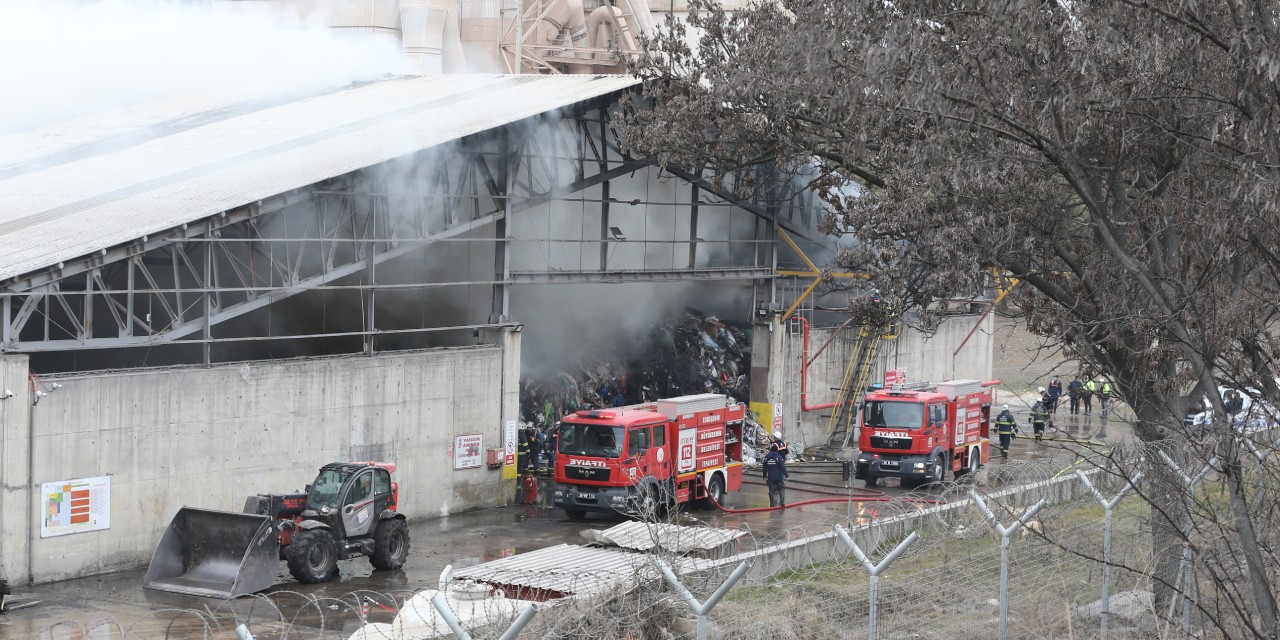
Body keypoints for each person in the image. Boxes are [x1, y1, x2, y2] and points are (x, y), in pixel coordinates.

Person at [763, 443, 789, 507]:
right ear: (777, 450)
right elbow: (782, 467)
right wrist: (786, 475)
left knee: (771, 490)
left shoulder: (767, 457)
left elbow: (764, 467)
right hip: (779, 477)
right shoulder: (778, 457)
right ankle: (782, 503)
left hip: (771, 477)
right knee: (781, 489)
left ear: (770, 450)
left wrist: (764, 475)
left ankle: (772, 504)